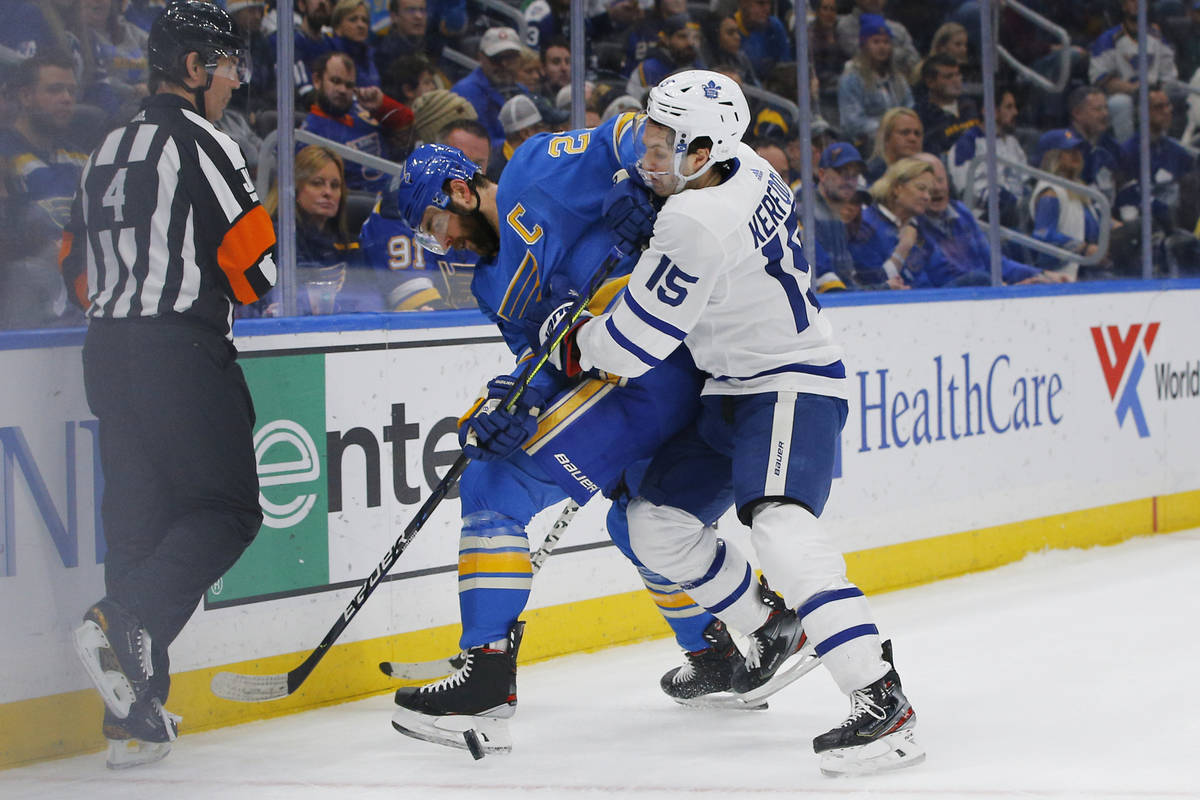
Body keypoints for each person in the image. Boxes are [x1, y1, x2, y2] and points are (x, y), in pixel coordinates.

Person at [532, 69, 923, 777]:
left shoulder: (694, 220)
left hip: (789, 384)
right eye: (648, 136)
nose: (649, 155)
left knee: (778, 524)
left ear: (707, 149)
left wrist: (568, 336)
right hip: (733, 389)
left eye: (666, 143)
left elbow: (629, 346)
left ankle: (880, 697)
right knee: (656, 524)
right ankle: (773, 629)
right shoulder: (750, 165)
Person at [386, 115, 773, 754]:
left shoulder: (538, 166)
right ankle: (718, 649)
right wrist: (506, 402)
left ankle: (483, 675)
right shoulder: (490, 286)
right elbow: (541, 356)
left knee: (494, 489)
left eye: (436, 228)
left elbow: (648, 133)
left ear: (458, 191)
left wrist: (648, 191)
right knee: (635, 518)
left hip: (656, 364)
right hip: (638, 380)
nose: (443, 246)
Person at [58, 1, 276, 769]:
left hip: (106, 351)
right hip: (179, 350)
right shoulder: (206, 143)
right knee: (227, 511)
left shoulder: (104, 148)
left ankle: (135, 720)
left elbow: (73, 269)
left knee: (140, 526)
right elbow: (256, 274)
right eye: (225, 67)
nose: (232, 83)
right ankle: (123, 619)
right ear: (192, 67)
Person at [0, 52, 90, 329]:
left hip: (79, 294)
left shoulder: (81, 158)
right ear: (25, 97)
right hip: (21, 302)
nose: (66, 99)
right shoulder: (4, 153)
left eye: (71, 91)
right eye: (54, 90)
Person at [913, 153, 1060, 287]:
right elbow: (932, 286)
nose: (937, 188)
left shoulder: (961, 212)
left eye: (940, 180)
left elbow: (996, 264)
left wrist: (1041, 274)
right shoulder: (912, 226)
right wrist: (1002, 288)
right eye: (928, 184)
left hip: (989, 293)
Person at [256, 145, 366, 315]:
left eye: (335, 185)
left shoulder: (351, 244)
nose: (328, 192)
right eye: (317, 183)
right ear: (294, 189)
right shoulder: (276, 238)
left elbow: (370, 299)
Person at [300, 51, 414, 193]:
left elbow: (408, 130)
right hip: (368, 203)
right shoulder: (310, 134)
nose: (342, 90)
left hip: (400, 184)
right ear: (317, 80)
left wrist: (381, 106)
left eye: (349, 85)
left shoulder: (361, 112)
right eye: (335, 81)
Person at [1089, 0, 1179, 143]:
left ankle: (1160, 146)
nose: (1137, 4)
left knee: (1164, 102)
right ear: (1123, 5)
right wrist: (1134, 89)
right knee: (1120, 103)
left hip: (1154, 92)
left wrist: (1157, 93)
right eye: (1132, 0)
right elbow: (1100, 77)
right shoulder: (1109, 38)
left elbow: (1169, 75)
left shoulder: (1158, 37)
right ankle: (1127, 152)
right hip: (1122, 94)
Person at [849, 156, 936, 288]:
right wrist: (904, 247)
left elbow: (940, 275)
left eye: (930, 192)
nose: (927, 197)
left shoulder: (920, 225)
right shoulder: (865, 224)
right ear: (897, 188)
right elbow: (872, 283)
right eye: (921, 188)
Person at [1030, 128, 1102, 280]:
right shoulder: (1050, 190)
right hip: (1062, 271)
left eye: (1077, 149)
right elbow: (1043, 234)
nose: (1076, 154)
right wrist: (1083, 248)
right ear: (1053, 156)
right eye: (1068, 150)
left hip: (1087, 267)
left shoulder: (1078, 187)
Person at [837, 14, 913, 148]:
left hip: (900, 138)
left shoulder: (897, 78)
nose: (882, 47)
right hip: (867, 144)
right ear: (864, 45)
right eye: (876, 42)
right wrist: (889, 129)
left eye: (886, 42)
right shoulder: (851, 78)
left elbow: (909, 106)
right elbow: (851, 122)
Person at [451, 26, 525, 147]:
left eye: (510, 57)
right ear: (481, 58)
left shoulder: (522, 91)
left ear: (520, 58)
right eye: (496, 59)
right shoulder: (465, 93)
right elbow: (475, 143)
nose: (504, 64)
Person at [812, 141, 867, 290]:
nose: (849, 180)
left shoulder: (838, 218)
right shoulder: (806, 213)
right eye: (842, 173)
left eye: (854, 175)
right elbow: (831, 287)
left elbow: (847, 279)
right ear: (822, 174)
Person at [912, 53, 979, 157]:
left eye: (957, 74)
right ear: (930, 82)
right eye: (949, 77)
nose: (956, 80)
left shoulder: (972, 104)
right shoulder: (919, 116)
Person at [863, 106, 921, 183]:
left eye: (917, 133)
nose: (913, 138)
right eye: (905, 132)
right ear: (886, 137)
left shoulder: (923, 172)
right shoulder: (871, 174)